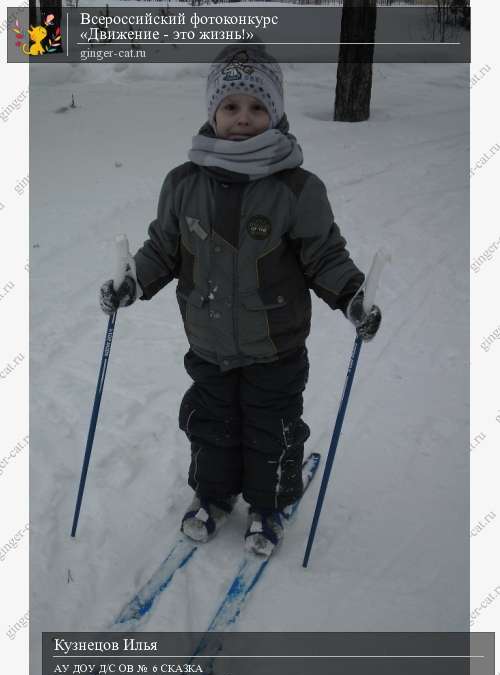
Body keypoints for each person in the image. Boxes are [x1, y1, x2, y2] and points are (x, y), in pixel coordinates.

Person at [99, 45, 381, 557]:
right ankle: (213, 496)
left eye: (256, 107)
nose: (243, 119)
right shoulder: (183, 183)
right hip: (208, 342)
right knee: (211, 425)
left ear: (275, 112)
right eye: (231, 107)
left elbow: (324, 255)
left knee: (270, 430)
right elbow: (163, 248)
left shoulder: (297, 188)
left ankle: (268, 506)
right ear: (212, 112)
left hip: (275, 344)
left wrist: (352, 295)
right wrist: (130, 282)